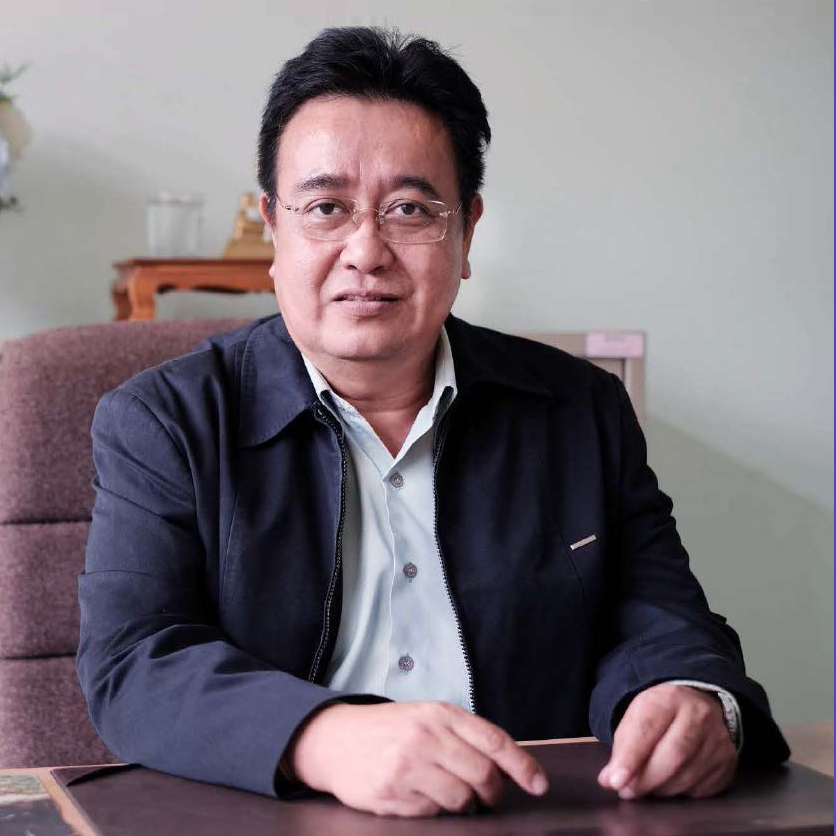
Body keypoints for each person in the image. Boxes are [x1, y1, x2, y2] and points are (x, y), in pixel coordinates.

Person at [76, 26, 789, 818]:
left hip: (532, 815)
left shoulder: (579, 409)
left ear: (467, 232)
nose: (365, 251)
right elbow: (133, 661)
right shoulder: (165, 422)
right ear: (273, 229)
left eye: (410, 209)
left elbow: (659, 611)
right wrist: (325, 736)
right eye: (326, 208)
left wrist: (688, 695)